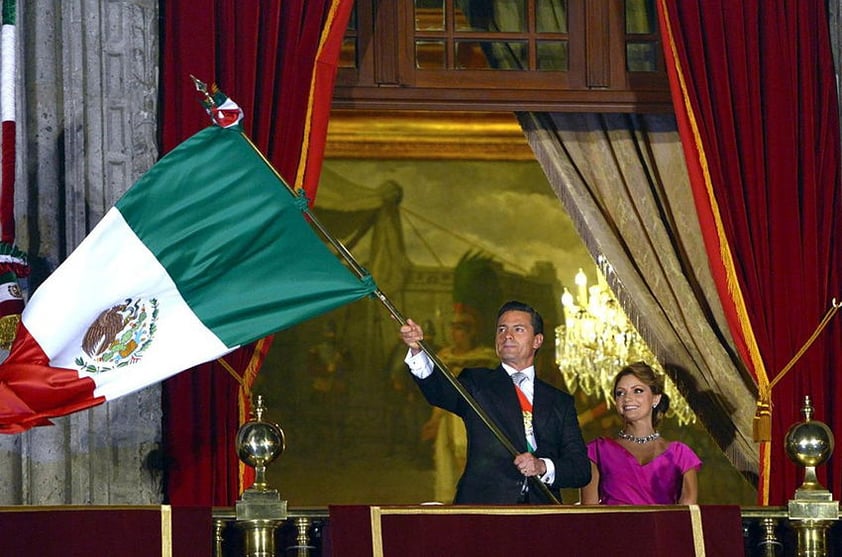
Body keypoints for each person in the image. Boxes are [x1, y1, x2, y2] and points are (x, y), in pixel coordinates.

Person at [400, 300, 591, 504]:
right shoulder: (477, 383)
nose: (507, 335)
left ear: (537, 340)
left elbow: (580, 469)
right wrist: (417, 350)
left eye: (518, 329)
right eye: (501, 329)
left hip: (541, 516)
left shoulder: (559, 401)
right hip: (485, 511)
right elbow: (439, 392)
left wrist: (543, 467)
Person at [580, 361, 702, 505]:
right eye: (620, 393)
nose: (627, 398)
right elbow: (589, 513)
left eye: (637, 390)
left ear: (655, 398)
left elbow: (687, 515)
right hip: (612, 527)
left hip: (663, 527)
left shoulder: (680, 454)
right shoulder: (597, 450)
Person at [419, 311, 498, 502]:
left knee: (469, 457)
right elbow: (439, 391)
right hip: (448, 416)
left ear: (471, 332)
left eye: (460, 329)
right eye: (453, 328)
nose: (456, 334)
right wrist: (434, 420)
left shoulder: (485, 357)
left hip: (474, 416)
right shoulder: (444, 357)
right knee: (448, 459)